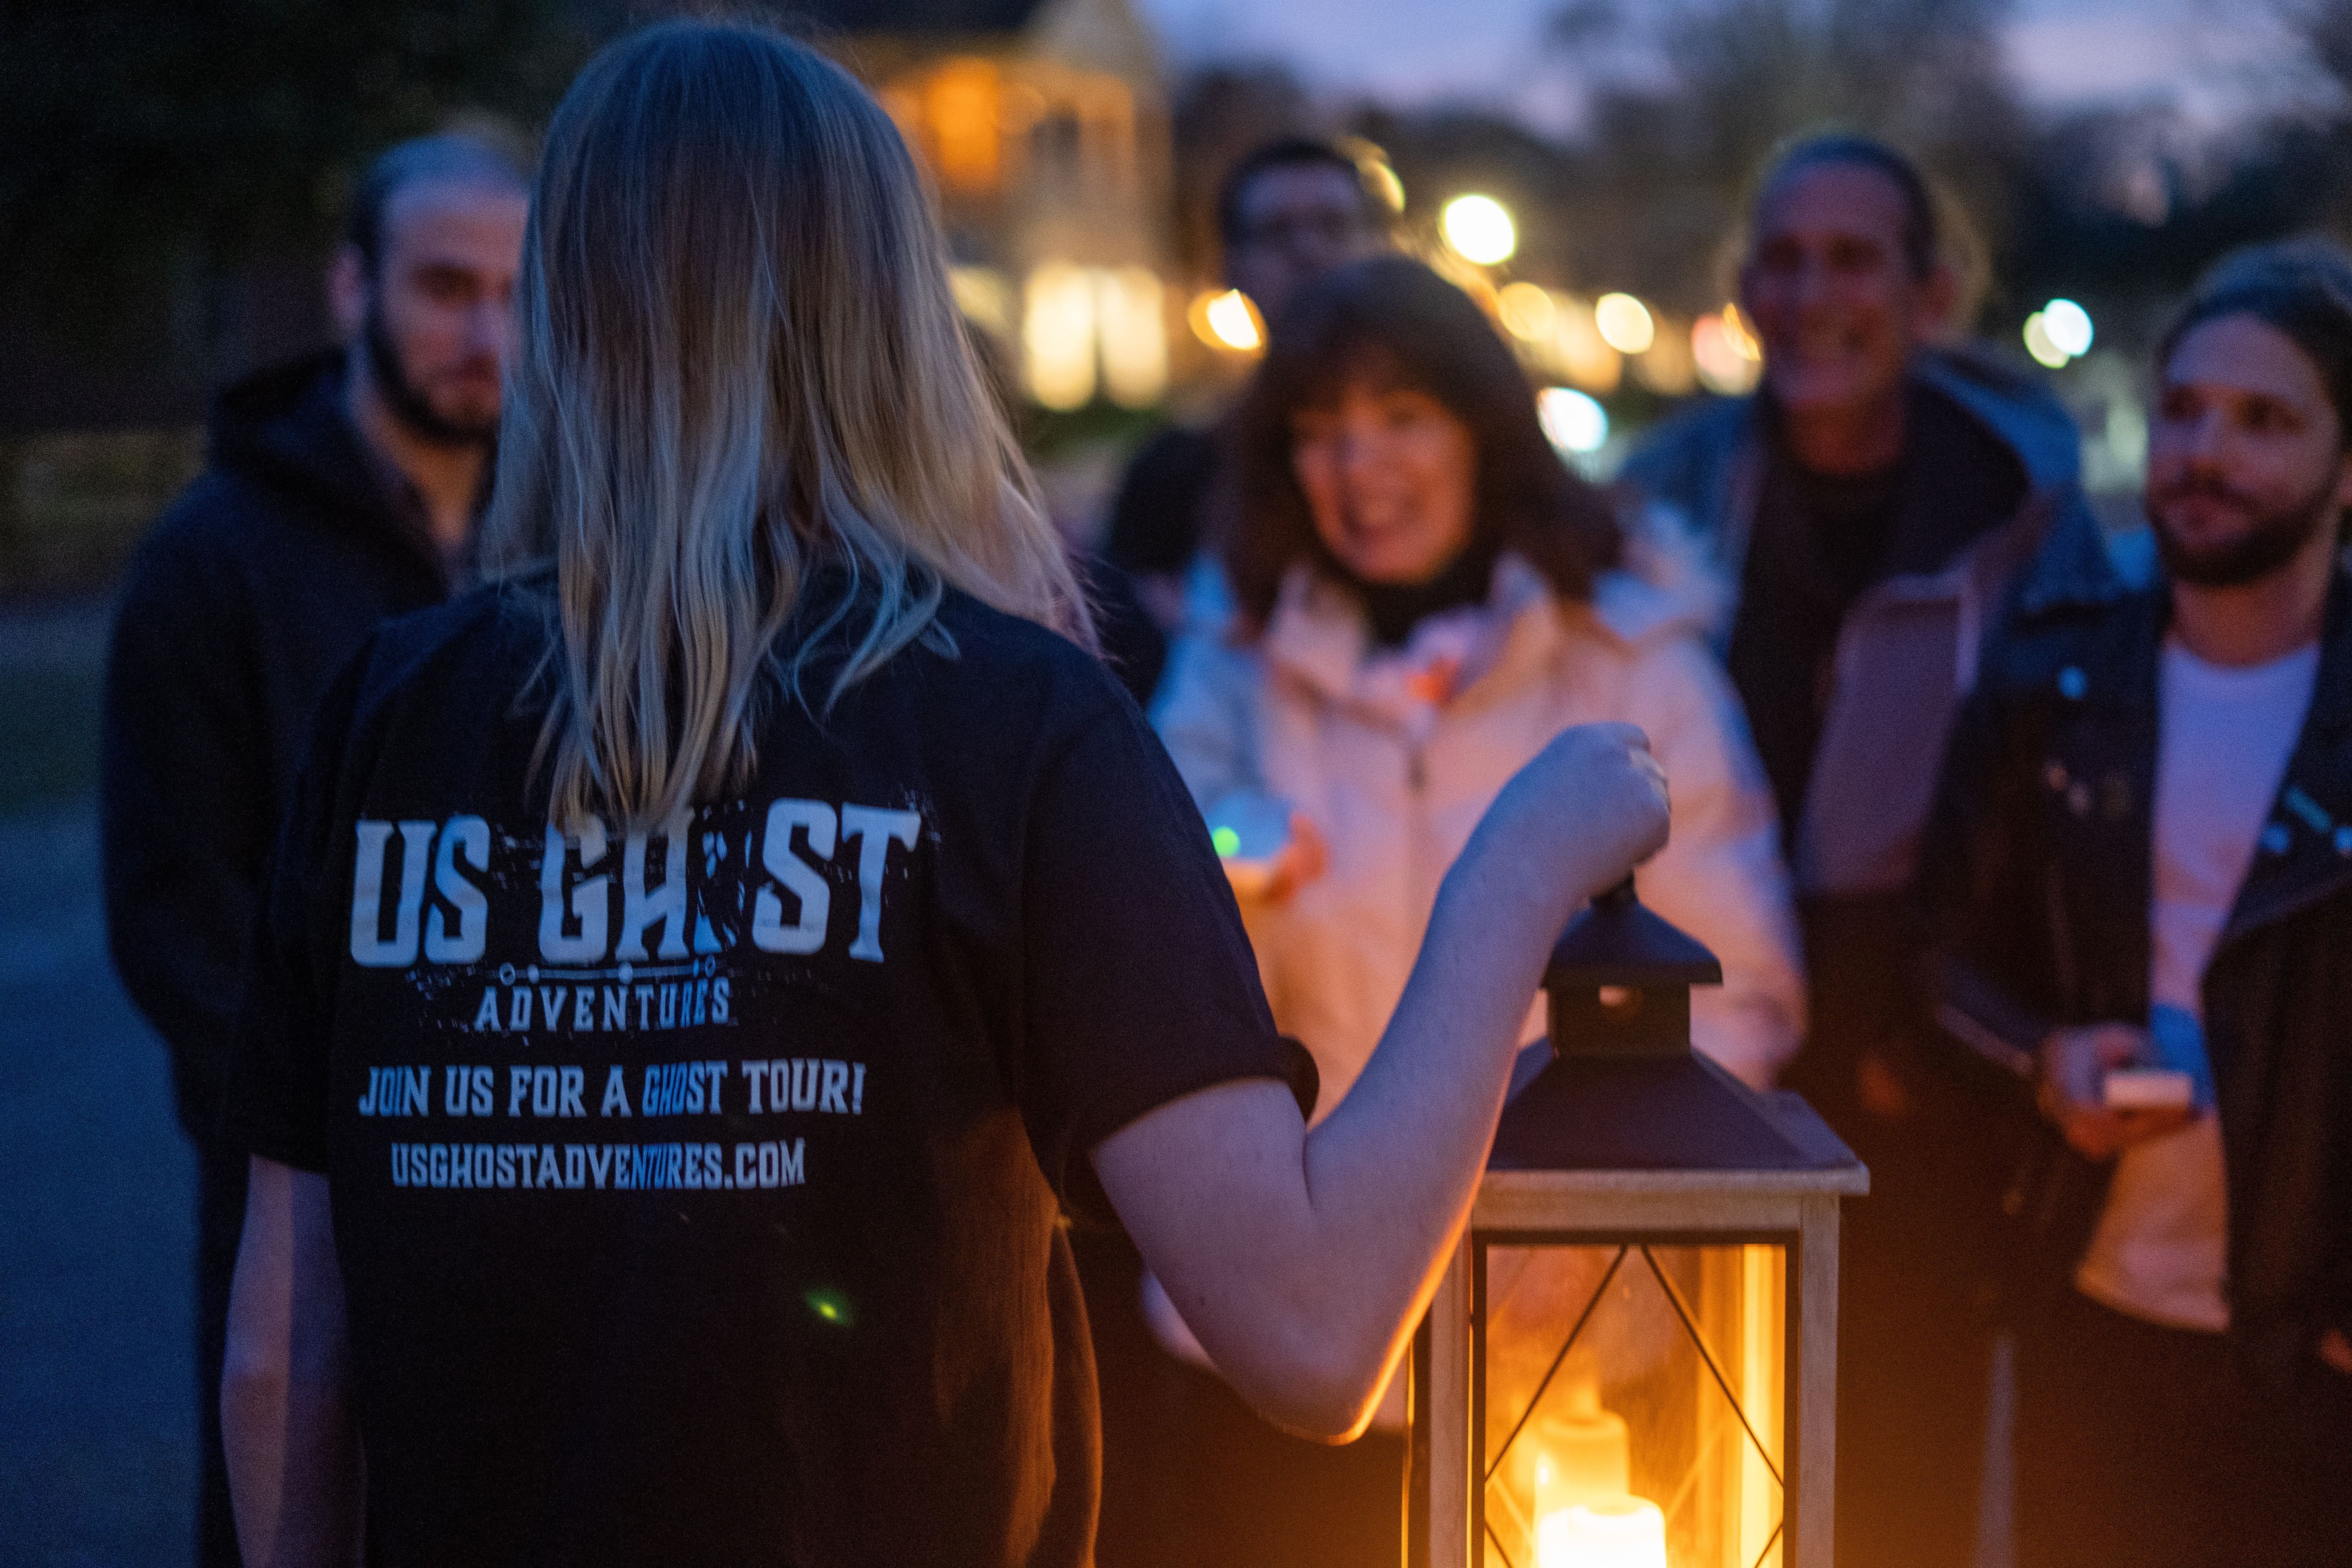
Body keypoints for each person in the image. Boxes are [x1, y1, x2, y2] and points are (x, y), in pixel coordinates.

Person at [212, 24, 1672, 1566]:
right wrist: (1514, 874)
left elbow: (286, 1354)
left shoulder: (389, 713)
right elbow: (1310, 1329)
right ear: (890, 311)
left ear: (572, 310)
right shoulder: (1012, 723)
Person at [1149, 255, 1804, 1565]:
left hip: (1561, 1336)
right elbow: (1158, 931)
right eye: (1319, 432)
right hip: (1279, 1324)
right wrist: (1246, 846)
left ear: (1481, 430)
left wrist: (1583, 1225)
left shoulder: (1627, 655)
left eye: (1400, 419)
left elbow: (1738, 986)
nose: (1358, 468)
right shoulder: (1237, 658)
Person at [1618, 131, 2111, 1568]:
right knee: (1690, 1424)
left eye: (1852, 257)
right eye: (1782, 257)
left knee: (1904, 1428)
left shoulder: (2028, 511)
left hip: (1930, 1031)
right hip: (1698, 1009)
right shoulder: (1665, 495)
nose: (1813, 290)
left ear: (1931, 291)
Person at [99, 131, 528, 1568]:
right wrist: (356, 1094)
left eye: (520, 295)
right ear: (352, 287)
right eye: (446, 287)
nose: (487, 335)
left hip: (555, 1172)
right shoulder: (213, 561)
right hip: (304, 1181)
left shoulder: (571, 542)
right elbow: (171, 911)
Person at [1919, 241, 2352, 1568]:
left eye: (2265, 420)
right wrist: (2044, 1059)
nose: (2205, 452)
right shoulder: (2053, 682)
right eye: (2185, 412)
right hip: (2090, 1310)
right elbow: (1938, 962)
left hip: (2318, 1348)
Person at [1103, 136, 1395, 643]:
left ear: (1378, 245)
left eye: (1333, 225)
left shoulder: (1460, 444)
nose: (1308, 251)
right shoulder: (1170, 478)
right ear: (1230, 269)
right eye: (1276, 233)